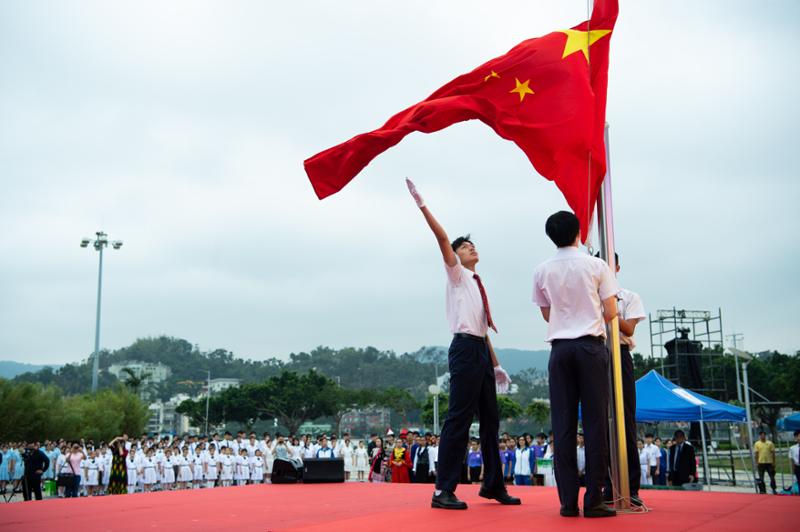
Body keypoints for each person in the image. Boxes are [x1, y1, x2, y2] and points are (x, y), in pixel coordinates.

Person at [406, 178, 518, 510]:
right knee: (459, 418)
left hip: (480, 350)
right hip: (464, 350)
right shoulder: (456, 275)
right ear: (455, 255)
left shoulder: (477, 281)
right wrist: (423, 205)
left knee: (491, 421)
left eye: (473, 244)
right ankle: (443, 489)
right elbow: (442, 238)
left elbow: (483, 329)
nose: (471, 248)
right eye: (465, 246)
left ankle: (493, 484)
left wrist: (496, 364)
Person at [532, 210, 619, 518]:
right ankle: (594, 498)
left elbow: (546, 314)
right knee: (595, 424)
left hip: (560, 349)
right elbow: (611, 311)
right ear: (578, 232)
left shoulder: (542, 270)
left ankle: (568, 501)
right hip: (590, 346)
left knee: (563, 426)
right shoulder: (597, 265)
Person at [597, 252, 646, 506]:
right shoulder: (589, 296)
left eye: (609, 265)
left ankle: (631, 486)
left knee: (626, 419)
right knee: (600, 422)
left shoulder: (629, 297)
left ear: (617, 267)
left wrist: (609, 307)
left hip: (622, 354)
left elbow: (629, 328)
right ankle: (606, 486)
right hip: (596, 352)